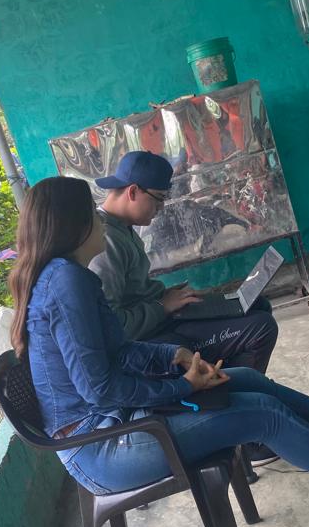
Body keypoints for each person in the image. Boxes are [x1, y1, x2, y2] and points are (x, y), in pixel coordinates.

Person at [8, 176, 309, 515]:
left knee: (245, 379)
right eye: (92, 213)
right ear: (74, 225)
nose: (100, 221)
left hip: (115, 424)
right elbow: (100, 389)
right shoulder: (65, 282)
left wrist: (174, 356)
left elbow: (117, 351)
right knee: (263, 416)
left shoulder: (65, 276)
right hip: (103, 447)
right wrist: (182, 387)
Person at [88, 150, 281, 464]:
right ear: (133, 191)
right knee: (260, 328)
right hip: (150, 340)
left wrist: (167, 295)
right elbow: (114, 327)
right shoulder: (106, 243)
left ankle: (240, 408)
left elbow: (134, 292)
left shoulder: (122, 228)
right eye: (159, 199)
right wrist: (162, 307)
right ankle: (247, 434)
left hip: (161, 318)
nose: (161, 209)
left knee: (256, 304)